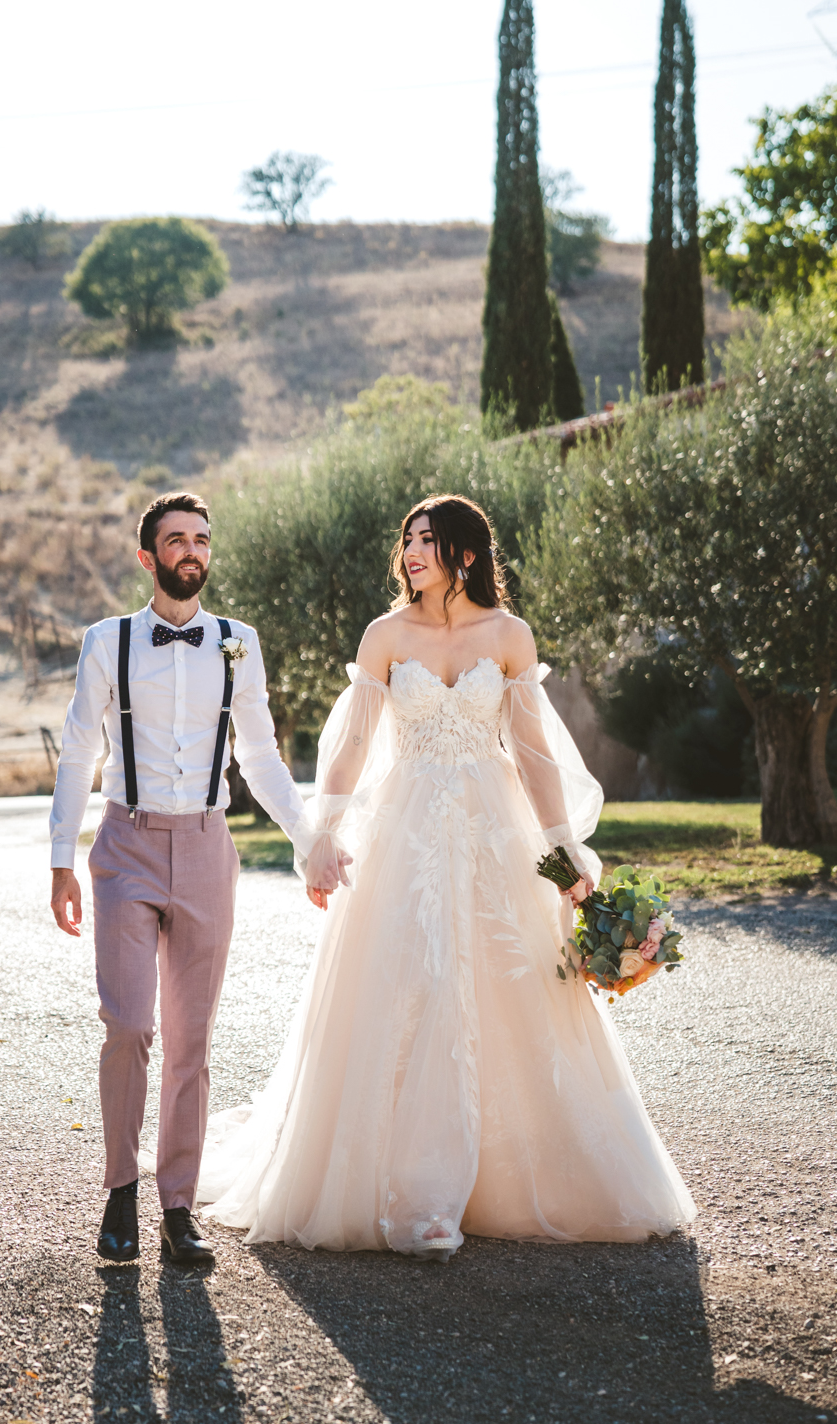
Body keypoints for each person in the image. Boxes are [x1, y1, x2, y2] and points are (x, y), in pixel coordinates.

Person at [197, 494, 696, 1259]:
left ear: (465, 552)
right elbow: (352, 744)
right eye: (408, 540)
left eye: (428, 540)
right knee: (412, 984)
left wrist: (563, 853)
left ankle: (509, 1178)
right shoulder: (384, 636)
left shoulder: (510, 635)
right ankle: (414, 1190)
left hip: (498, 831)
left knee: (514, 984)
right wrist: (321, 834)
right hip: (409, 832)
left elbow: (531, 752)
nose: (412, 553)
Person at [48, 492, 311, 1266]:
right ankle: (120, 1190)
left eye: (201, 539)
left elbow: (260, 756)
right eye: (177, 541)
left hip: (206, 847)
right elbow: (75, 755)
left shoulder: (238, 643)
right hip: (125, 845)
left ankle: (177, 1207)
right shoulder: (108, 642)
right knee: (129, 1024)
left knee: (191, 1038)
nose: (192, 551)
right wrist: (61, 857)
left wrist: (309, 840)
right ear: (148, 558)